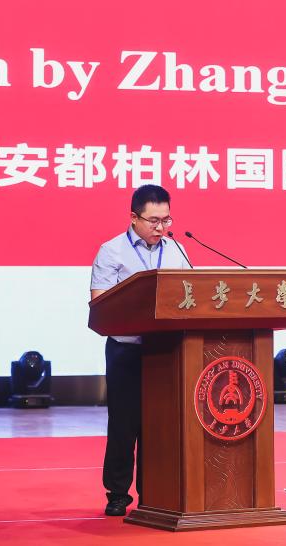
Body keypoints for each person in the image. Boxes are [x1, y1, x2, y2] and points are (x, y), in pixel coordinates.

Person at [90, 184, 190, 516]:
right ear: (134, 217)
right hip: (126, 351)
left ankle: (155, 490)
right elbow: (100, 303)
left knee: (160, 424)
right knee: (124, 423)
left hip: (165, 352)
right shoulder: (112, 251)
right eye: (153, 221)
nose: (161, 227)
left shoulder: (177, 251)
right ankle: (118, 493)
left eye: (166, 219)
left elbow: (192, 296)